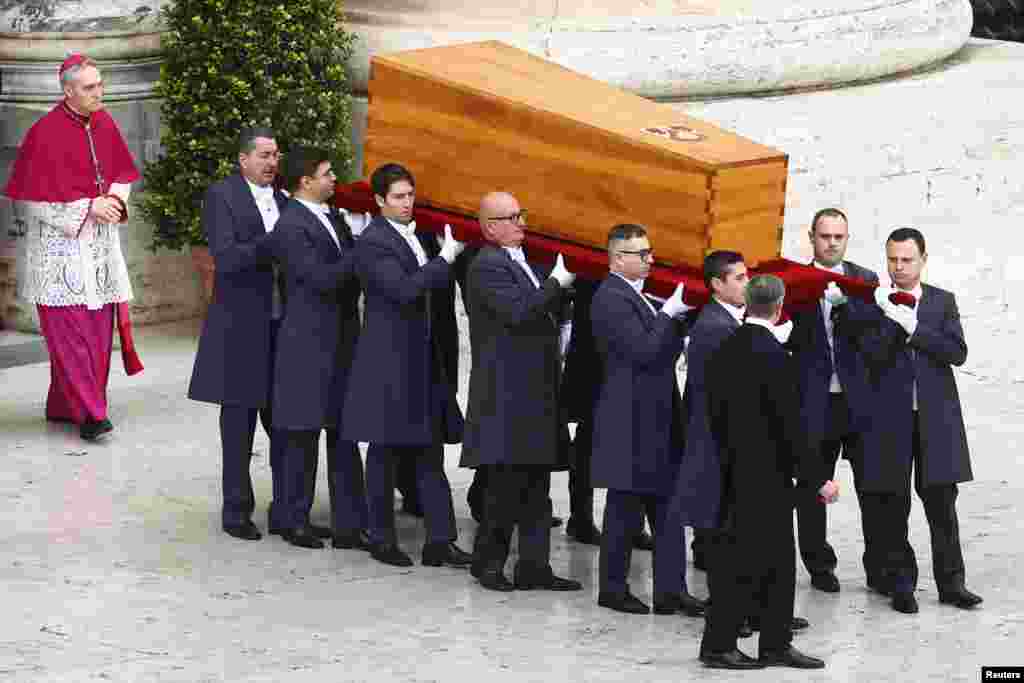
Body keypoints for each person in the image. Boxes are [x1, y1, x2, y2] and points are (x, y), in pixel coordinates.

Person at [700, 275, 838, 670]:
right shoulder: (777, 357)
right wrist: (817, 480)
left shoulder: (726, 347)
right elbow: (791, 427)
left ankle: (769, 639)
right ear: (779, 307)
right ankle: (728, 645)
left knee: (759, 561)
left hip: (732, 471)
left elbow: (715, 411)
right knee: (762, 564)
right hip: (769, 478)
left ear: (746, 303)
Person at [341, 163, 471, 569]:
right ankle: (381, 538)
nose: (406, 203)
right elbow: (403, 290)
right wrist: (445, 260)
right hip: (388, 365)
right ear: (379, 200)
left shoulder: (417, 237)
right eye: (398, 197)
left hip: (422, 362)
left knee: (430, 454)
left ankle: (440, 541)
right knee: (384, 456)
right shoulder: (373, 241)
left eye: (410, 196)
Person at [3, 54, 139, 441]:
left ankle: (66, 406)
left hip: (99, 249)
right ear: (68, 91)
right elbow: (27, 199)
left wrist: (113, 199)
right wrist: (85, 207)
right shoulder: (43, 133)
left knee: (96, 335)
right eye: (90, 87)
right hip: (59, 254)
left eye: (100, 84)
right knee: (70, 336)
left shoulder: (105, 122)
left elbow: (122, 173)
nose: (100, 92)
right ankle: (92, 415)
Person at [459, 191, 581, 592]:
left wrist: (560, 293)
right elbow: (519, 312)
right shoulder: (486, 266)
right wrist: (554, 284)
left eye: (521, 215)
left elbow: (540, 311)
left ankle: (533, 566)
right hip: (506, 394)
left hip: (536, 390)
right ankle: (488, 564)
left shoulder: (519, 260)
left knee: (536, 488)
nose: (522, 223)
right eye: (512, 218)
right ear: (490, 227)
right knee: (504, 488)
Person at [858, 228, 983, 614]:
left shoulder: (942, 301)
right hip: (891, 421)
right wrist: (888, 319)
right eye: (893, 259)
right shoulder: (872, 302)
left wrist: (914, 328)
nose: (899, 267)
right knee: (893, 505)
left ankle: (952, 583)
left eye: (907, 260)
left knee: (942, 504)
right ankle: (901, 584)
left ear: (923, 259)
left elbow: (956, 352)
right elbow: (870, 357)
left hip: (936, 420)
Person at [590, 224, 701, 615]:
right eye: (642, 254)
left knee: (669, 510)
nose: (650, 259)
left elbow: (663, 352)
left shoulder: (637, 295)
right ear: (618, 258)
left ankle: (672, 590)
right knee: (624, 511)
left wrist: (676, 320)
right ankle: (613, 588)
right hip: (630, 422)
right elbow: (644, 351)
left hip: (657, 417)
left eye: (649, 252)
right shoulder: (610, 297)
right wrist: (670, 314)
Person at [187, 127, 289, 541]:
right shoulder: (222, 196)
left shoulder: (285, 200)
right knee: (239, 425)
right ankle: (235, 510)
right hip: (240, 327)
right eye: (264, 155)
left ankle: (287, 508)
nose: (271, 162)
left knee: (283, 424)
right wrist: (275, 243)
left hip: (282, 326)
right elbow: (226, 259)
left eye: (276, 155)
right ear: (242, 159)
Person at [268, 147, 368, 551]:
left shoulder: (332, 218)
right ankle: (293, 519)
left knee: (344, 434)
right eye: (326, 174)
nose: (334, 180)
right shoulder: (290, 226)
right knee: (301, 436)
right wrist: (361, 250)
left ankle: (349, 523)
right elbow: (320, 280)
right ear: (304, 182)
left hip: (341, 340)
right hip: (308, 344)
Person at [787, 208, 881, 593]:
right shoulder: (793, 280)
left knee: (873, 485)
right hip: (813, 399)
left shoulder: (864, 279)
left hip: (857, 400)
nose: (831, 243)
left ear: (847, 238)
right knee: (811, 487)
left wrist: (847, 306)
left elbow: (876, 334)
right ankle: (819, 565)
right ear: (811, 237)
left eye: (838, 237)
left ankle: (880, 567)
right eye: (824, 236)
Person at [560, 276, 653, 550]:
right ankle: (581, 519)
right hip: (592, 365)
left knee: (636, 445)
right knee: (588, 444)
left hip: (627, 368)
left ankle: (632, 525)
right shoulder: (600, 272)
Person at [675, 251, 747, 573]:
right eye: (740, 278)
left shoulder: (726, 320)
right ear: (717, 284)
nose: (748, 283)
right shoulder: (717, 326)